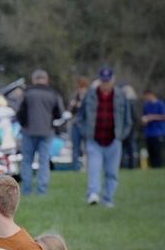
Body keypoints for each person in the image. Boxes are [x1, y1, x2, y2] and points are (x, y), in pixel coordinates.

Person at [74, 67, 133, 207]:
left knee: (112, 172)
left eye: (108, 81)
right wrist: (85, 132)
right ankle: (93, 194)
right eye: (103, 81)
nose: (105, 84)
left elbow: (128, 119)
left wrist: (121, 135)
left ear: (112, 80)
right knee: (94, 168)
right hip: (94, 139)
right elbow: (80, 117)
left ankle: (108, 199)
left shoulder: (120, 96)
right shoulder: (90, 95)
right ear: (99, 80)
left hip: (113, 140)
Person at [15, 70, 66, 195]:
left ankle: (26, 190)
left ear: (33, 79)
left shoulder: (27, 93)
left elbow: (19, 112)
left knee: (27, 161)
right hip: (46, 131)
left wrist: (24, 124)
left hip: (28, 131)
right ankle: (42, 190)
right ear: (46, 79)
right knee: (44, 161)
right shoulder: (53, 94)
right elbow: (59, 113)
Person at [142, 90, 165, 168]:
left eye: (148, 96)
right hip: (148, 133)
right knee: (150, 152)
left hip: (158, 132)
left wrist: (152, 117)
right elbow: (145, 116)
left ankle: (158, 167)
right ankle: (153, 168)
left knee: (157, 152)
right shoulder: (146, 105)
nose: (147, 98)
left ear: (152, 95)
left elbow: (163, 116)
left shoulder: (160, 104)